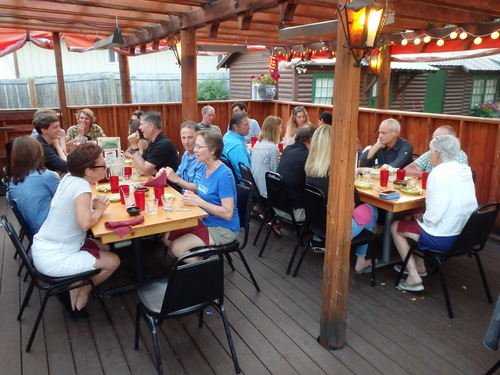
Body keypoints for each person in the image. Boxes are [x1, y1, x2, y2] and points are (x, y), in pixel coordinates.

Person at [32, 143, 120, 311]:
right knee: (114, 261)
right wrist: (100, 209)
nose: (106, 167)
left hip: (45, 245)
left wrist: (93, 208)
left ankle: (77, 283)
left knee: (105, 246)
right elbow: (85, 223)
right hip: (55, 258)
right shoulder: (81, 186)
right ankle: (83, 289)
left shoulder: (68, 178)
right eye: (103, 164)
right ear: (89, 170)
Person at [390, 135, 477, 292]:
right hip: (466, 236)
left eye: (430, 151)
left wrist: (422, 218)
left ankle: (413, 277)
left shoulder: (438, 174)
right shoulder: (465, 170)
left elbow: (433, 217)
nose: (429, 154)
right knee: (416, 219)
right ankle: (420, 267)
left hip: (444, 239)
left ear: (437, 153)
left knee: (396, 226)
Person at [305, 125, 378, 268]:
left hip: (317, 225)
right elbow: (355, 201)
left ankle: (367, 245)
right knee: (371, 210)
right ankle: (361, 260)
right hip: (336, 229)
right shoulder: (337, 174)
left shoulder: (309, 169)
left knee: (366, 212)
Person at [161, 131, 240, 264]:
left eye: (199, 147)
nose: (194, 150)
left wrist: (199, 201)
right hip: (205, 219)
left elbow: (227, 213)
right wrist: (177, 181)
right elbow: (200, 189)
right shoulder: (205, 167)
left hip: (223, 228)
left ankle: (205, 270)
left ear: (213, 150)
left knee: (177, 247)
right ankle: (195, 263)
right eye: (195, 146)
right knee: (167, 238)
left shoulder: (224, 175)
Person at [8, 136, 60, 235]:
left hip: (35, 229)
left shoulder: (13, 181)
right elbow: (66, 201)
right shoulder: (46, 176)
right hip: (52, 230)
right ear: (38, 153)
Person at [275, 124, 317, 226]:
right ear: (310, 141)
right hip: (294, 212)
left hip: (278, 207)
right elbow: (316, 184)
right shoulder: (307, 157)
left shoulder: (287, 150)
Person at [158, 121, 206, 193]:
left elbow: (198, 189)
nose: (186, 142)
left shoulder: (202, 158)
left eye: (190, 137)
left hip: (195, 200)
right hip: (183, 196)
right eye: (183, 138)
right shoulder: (186, 154)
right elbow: (178, 175)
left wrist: (176, 179)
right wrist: (165, 173)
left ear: (198, 138)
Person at [127, 110, 178, 175]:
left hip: (167, 184)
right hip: (157, 182)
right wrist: (146, 169)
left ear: (151, 126)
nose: (139, 128)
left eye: (142, 124)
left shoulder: (162, 145)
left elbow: (142, 171)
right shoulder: (154, 142)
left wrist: (134, 145)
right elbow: (140, 168)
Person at [251, 115, 282, 201]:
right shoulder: (273, 148)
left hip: (255, 188)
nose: (281, 130)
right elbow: (274, 174)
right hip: (265, 191)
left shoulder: (258, 143)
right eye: (280, 128)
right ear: (274, 130)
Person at [222, 111, 251, 180]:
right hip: (242, 184)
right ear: (235, 126)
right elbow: (246, 173)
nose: (249, 127)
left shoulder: (227, 136)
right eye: (246, 125)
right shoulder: (237, 146)